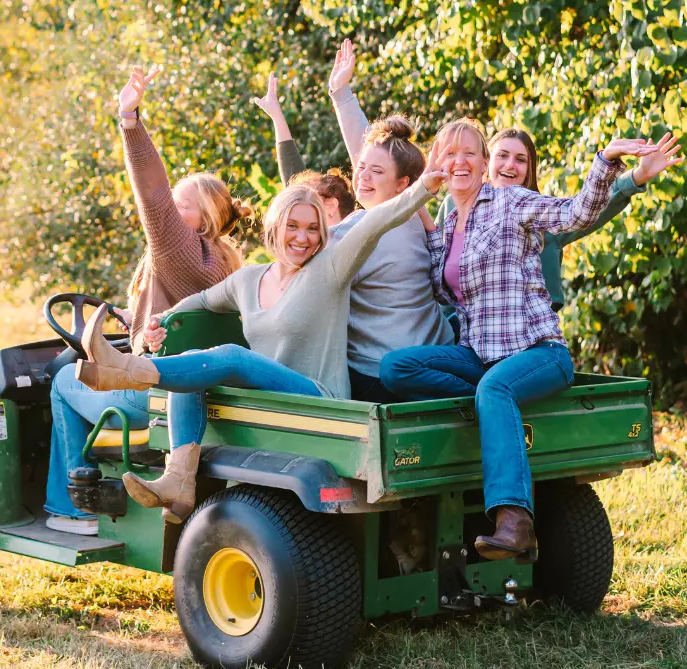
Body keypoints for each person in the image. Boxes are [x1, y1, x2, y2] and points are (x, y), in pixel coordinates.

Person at [75, 140, 452, 523]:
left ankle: (128, 371)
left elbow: (377, 221)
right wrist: (158, 324)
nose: (302, 238)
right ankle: (178, 480)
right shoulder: (249, 280)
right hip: (268, 399)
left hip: (316, 397)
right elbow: (201, 301)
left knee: (233, 356)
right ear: (275, 226)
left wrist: (424, 188)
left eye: (312, 229)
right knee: (190, 368)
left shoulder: (331, 268)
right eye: (293, 226)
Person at [380, 118, 662, 561]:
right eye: (449, 153)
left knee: (495, 388)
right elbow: (440, 290)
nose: (460, 161)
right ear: (437, 162)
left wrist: (606, 161)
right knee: (396, 367)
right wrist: (414, 198)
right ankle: (491, 412)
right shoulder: (450, 221)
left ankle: (514, 522)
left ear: (483, 162)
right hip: (480, 355)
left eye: (469, 152)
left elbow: (576, 214)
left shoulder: (511, 202)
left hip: (538, 351)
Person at [44, 66, 250, 535]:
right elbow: (185, 313)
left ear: (205, 219)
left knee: (61, 380)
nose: (170, 214)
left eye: (183, 207)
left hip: (151, 396)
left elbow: (151, 194)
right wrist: (135, 320)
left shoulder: (181, 250)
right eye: (174, 205)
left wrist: (130, 119)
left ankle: (74, 508)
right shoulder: (222, 260)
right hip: (183, 382)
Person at [255, 40, 453, 402]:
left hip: (386, 375)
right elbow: (363, 154)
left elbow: (304, 236)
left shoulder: (359, 230)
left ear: (403, 185)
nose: (361, 176)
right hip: (433, 357)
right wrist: (341, 94)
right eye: (360, 168)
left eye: (376, 172)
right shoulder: (409, 215)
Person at [436, 127, 681, 316]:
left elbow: (590, 206)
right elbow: (432, 262)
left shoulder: (543, 217)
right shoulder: (454, 205)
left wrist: (638, 175)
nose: (510, 165)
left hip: (530, 334)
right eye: (502, 155)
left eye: (520, 159)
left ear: (529, 170)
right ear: (486, 163)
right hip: (464, 330)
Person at [254, 70, 356, 225]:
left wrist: (341, 94)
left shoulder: (356, 238)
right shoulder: (311, 242)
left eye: (302, 199)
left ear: (330, 206)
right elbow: (292, 174)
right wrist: (277, 117)